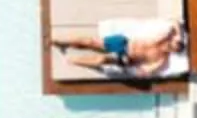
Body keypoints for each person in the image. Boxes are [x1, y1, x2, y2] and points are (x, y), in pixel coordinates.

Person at [51, 19, 186, 77]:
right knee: (90, 41)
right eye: (172, 43)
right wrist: (179, 34)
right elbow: (174, 22)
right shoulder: (163, 36)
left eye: (172, 48)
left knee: (102, 60)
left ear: (174, 52)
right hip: (123, 43)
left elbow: (144, 72)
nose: (169, 46)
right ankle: (62, 42)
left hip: (125, 58)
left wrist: (133, 66)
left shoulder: (161, 60)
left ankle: (73, 61)